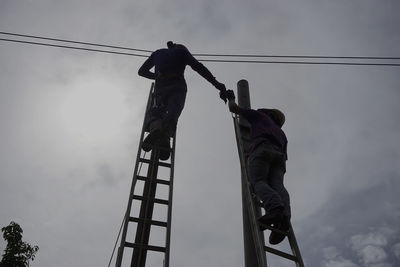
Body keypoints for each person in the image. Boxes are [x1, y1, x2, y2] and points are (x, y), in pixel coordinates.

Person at [138, 41, 227, 160]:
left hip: (161, 86)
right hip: (177, 85)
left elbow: (141, 72)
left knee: (155, 110)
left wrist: (156, 77)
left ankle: (155, 128)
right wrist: (217, 84)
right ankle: (165, 136)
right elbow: (200, 68)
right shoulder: (182, 52)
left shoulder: (157, 53)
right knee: (173, 111)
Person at [226, 90, 291, 245]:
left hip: (262, 149)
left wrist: (231, 98)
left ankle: (275, 209)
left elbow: (234, 108)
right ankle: (284, 219)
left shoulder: (260, 117)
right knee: (277, 185)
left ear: (269, 114)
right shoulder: (282, 133)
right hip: (280, 158)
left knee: (258, 182)